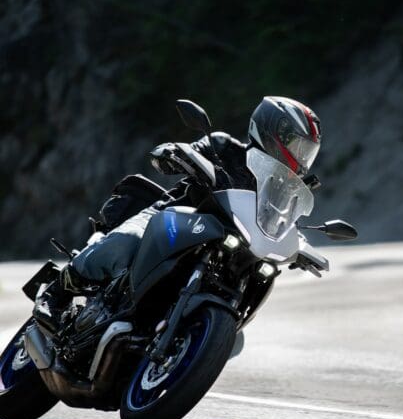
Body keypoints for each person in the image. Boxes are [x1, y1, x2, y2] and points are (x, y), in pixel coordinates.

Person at [37, 96, 322, 330]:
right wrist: (176, 153)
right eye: (296, 145)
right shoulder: (225, 147)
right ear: (272, 131)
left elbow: (284, 221)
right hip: (175, 218)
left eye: (306, 151)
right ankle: (57, 292)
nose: (300, 156)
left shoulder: (282, 188)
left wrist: (302, 247)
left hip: (227, 246)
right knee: (124, 241)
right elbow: (191, 151)